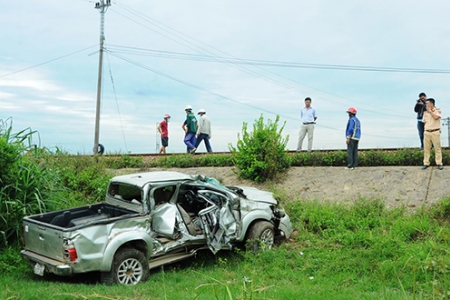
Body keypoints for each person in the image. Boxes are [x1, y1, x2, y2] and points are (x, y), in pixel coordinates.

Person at [422, 98, 443, 170]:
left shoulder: (438, 110)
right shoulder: (425, 113)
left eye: (427, 103)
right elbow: (424, 122)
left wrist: (430, 112)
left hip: (435, 131)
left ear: (432, 104)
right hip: (427, 132)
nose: (426, 105)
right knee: (426, 149)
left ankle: (439, 163)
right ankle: (426, 163)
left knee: (437, 148)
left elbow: (436, 117)